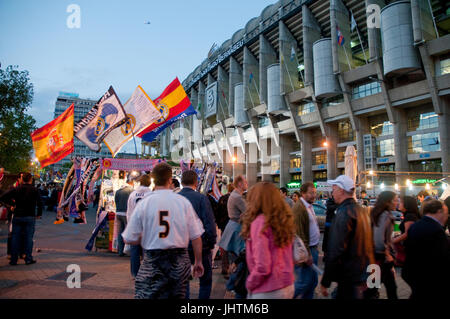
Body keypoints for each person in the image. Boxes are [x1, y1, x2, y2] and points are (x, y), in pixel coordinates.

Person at [122, 163, 205, 299]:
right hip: (179, 261)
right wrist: (198, 261)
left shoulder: (145, 203)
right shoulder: (182, 202)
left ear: (154, 179)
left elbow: (129, 238)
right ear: (170, 180)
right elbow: (196, 237)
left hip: (153, 261)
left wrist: (145, 235)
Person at [320, 175, 375, 299]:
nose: (332, 193)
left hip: (349, 277)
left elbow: (335, 249)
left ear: (341, 190)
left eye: (334, 189)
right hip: (362, 274)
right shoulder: (362, 211)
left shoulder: (344, 213)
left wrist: (325, 281)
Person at [241, 182, 295, 299]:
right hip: (287, 284)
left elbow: (263, 266)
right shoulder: (282, 220)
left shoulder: (260, 222)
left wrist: (250, 283)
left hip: (267, 288)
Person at [178, 170, 217, 299]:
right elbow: (209, 222)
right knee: (205, 280)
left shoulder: (176, 198)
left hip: (180, 245)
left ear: (182, 182)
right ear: (196, 182)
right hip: (201, 245)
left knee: (184, 281)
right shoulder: (201, 198)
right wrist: (211, 242)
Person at [402, 199, 449, 299]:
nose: (447, 216)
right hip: (429, 276)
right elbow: (442, 257)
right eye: (446, 213)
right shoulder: (436, 230)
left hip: (411, 271)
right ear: (439, 212)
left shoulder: (415, 225)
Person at [0, 173, 42, 265]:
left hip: (17, 215)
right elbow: (40, 203)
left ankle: (13, 259)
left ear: (22, 179)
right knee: (28, 238)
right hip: (30, 216)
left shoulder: (16, 189)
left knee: (15, 238)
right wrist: (39, 214)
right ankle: (28, 258)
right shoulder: (35, 190)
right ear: (30, 180)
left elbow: (3, 197)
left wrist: (12, 204)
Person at [292, 181, 320, 299]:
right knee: (303, 283)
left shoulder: (309, 206)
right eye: (310, 193)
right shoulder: (300, 208)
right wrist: (306, 254)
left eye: (314, 192)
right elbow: (299, 234)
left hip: (313, 248)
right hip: (306, 251)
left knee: (312, 282)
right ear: (303, 193)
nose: (313, 195)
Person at [368, 191, 398, 299]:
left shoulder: (378, 213)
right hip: (380, 257)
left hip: (375, 256)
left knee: (374, 287)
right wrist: (387, 253)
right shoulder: (384, 215)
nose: (397, 202)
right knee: (388, 288)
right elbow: (379, 239)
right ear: (387, 202)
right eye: (395, 200)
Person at [126, 174, 152, 279]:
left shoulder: (133, 194)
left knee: (134, 251)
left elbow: (129, 211)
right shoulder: (151, 194)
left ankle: (135, 273)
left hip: (134, 225)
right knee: (147, 252)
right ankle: (146, 272)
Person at [218, 175, 248, 263]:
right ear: (239, 184)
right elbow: (250, 211)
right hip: (237, 227)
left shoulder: (235, 195)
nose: (247, 184)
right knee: (238, 257)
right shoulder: (237, 197)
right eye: (245, 182)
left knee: (235, 257)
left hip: (233, 226)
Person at [216, 184, 234, 277]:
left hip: (224, 226)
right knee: (233, 248)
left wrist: (219, 225)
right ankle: (233, 268)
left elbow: (217, 212)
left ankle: (224, 267)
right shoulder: (237, 198)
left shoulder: (222, 198)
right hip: (234, 225)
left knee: (224, 247)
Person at [115, 174, 134, 256]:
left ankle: (120, 251)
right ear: (131, 182)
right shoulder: (131, 191)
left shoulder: (118, 191)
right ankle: (128, 251)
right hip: (126, 213)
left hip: (118, 213)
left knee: (120, 232)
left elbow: (116, 201)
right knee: (128, 232)